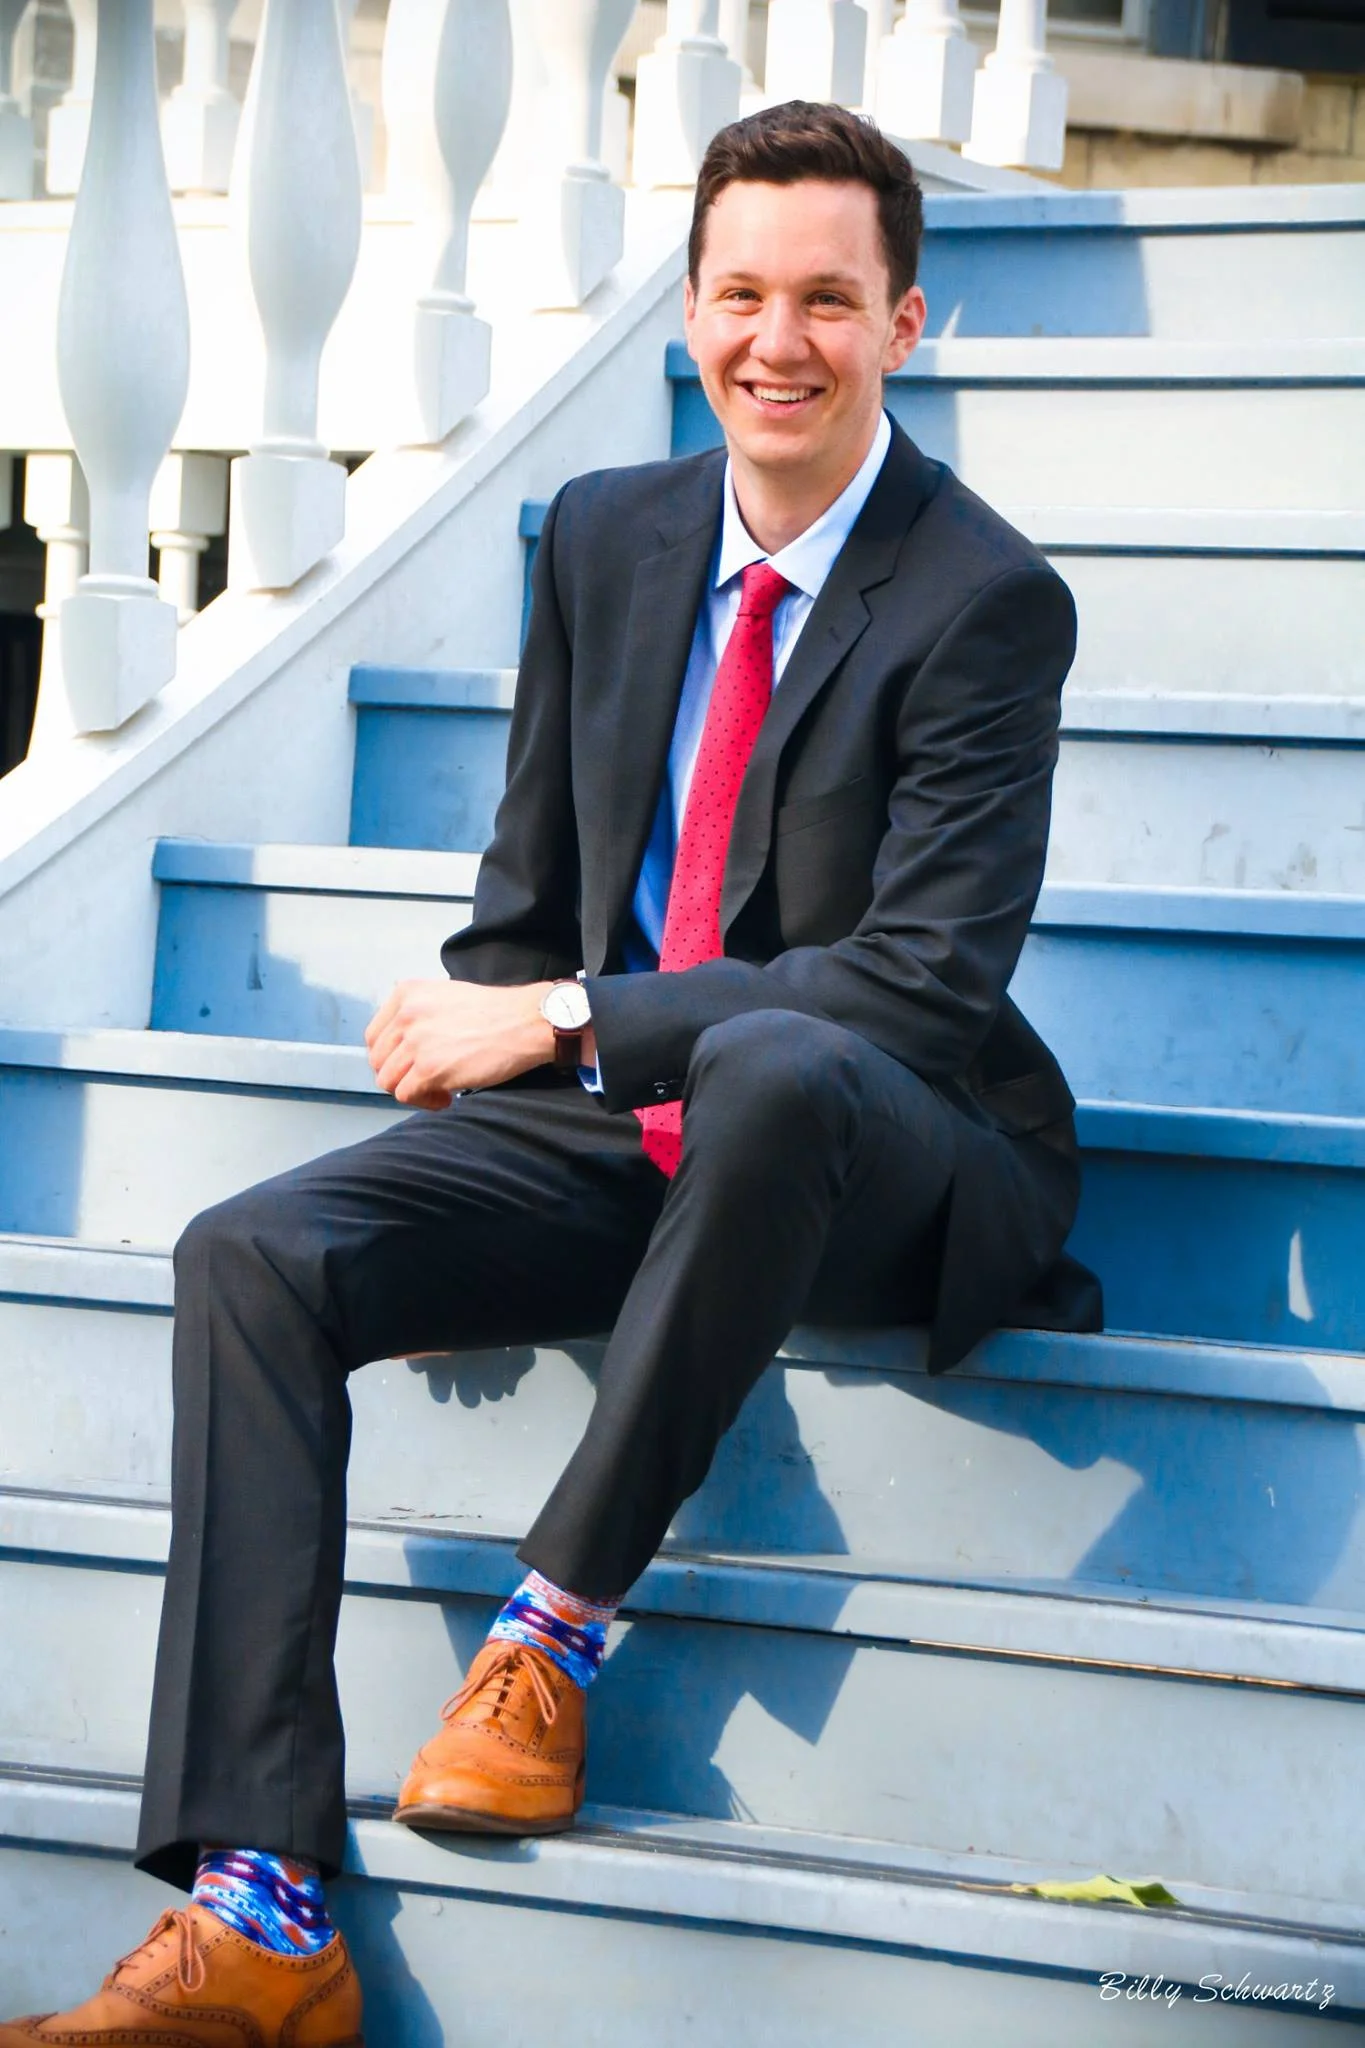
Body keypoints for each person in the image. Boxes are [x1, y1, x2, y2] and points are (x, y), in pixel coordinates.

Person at [1, 101, 1100, 2044]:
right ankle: (260, 1908)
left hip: (899, 1159)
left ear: (907, 324)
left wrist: (575, 1021)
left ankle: (548, 1640)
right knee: (253, 1250)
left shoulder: (985, 597)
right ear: (684, 305)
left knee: (768, 1055)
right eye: (740, 291)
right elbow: (528, 925)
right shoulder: (606, 537)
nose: (779, 338)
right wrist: (473, 1135)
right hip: (637, 1140)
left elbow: (918, 990)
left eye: (828, 300)